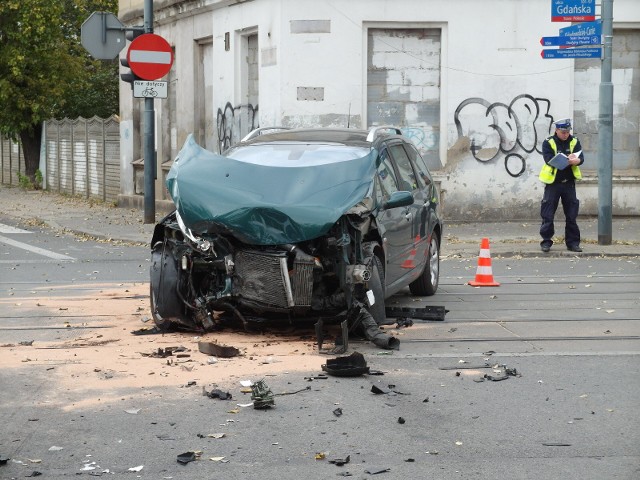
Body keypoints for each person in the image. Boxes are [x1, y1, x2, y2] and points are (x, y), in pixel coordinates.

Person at [538, 118, 584, 253]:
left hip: (569, 184)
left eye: (567, 132)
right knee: (548, 214)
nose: (566, 134)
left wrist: (577, 160)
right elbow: (548, 160)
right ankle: (546, 242)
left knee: (571, 215)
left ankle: (573, 243)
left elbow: (581, 158)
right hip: (553, 184)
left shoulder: (574, 141)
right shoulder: (549, 142)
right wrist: (567, 161)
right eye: (563, 132)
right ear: (556, 130)